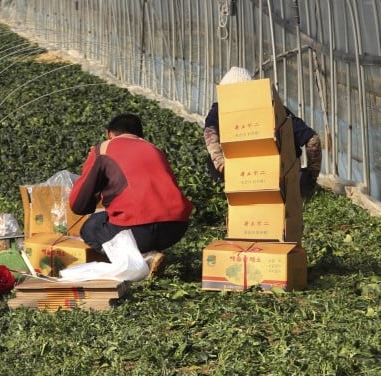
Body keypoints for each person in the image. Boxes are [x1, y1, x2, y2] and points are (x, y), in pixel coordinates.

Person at [68, 113, 194, 256]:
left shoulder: (104, 149)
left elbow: (78, 205)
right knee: (140, 230)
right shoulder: (155, 150)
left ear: (109, 134)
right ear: (140, 134)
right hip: (176, 229)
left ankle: (134, 262)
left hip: (137, 230)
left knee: (91, 227)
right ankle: (148, 254)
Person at [202, 66, 323, 198]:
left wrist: (221, 165)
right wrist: (311, 176)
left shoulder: (220, 110)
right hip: (281, 180)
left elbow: (209, 134)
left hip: (240, 179)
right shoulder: (275, 110)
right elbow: (313, 139)